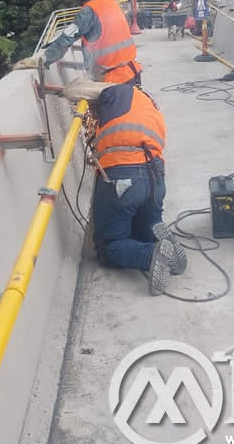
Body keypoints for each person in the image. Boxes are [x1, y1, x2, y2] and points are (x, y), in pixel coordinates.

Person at [64, 77, 187, 295]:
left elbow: (74, 90)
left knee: (108, 245)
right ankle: (155, 233)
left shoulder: (116, 91)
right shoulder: (148, 103)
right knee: (142, 229)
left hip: (123, 176)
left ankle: (150, 254)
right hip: (155, 176)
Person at [43, 0, 142, 86]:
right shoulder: (111, 1)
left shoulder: (88, 12)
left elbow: (65, 39)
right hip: (132, 71)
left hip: (111, 82)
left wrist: (43, 60)